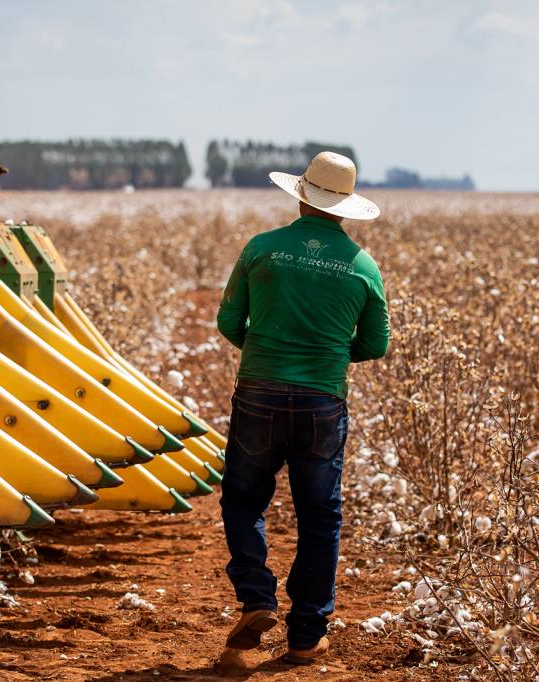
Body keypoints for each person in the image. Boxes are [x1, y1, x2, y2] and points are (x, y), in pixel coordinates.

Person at [216, 151, 389, 665]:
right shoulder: (362, 266)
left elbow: (229, 322)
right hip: (323, 401)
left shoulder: (262, 249)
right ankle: (306, 636)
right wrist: (329, 353)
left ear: (301, 195)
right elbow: (376, 344)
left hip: (259, 391)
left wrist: (269, 348)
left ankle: (256, 597)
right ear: (345, 208)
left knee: (244, 500)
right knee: (320, 517)